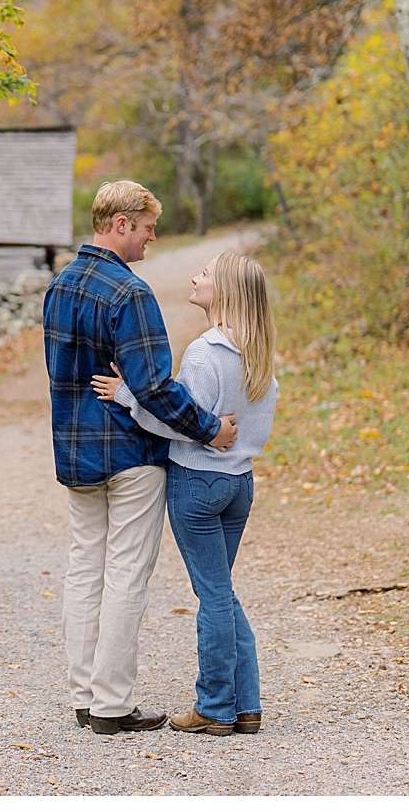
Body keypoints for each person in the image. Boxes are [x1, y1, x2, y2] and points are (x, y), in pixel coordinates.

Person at [44, 180, 238, 736]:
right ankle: (111, 706)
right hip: (129, 452)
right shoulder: (129, 293)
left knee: (85, 567)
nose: (153, 240)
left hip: (75, 451)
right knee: (126, 573)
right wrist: (209, 430)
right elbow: (152, 386)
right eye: (149, 229)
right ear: (122, 223)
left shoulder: (59, 285)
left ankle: (84, 697)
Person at [91, 251, 278, 736]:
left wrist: (128, 394)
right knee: (223, 592)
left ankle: (214, 707)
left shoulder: (204, 352)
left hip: (198, 483)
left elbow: (177, 418)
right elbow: (251, 428)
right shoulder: (258, 356)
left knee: (213, 596)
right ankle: (247, 705)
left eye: (206, 274)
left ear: (227, 292)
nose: (195, 277)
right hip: (239, 484)